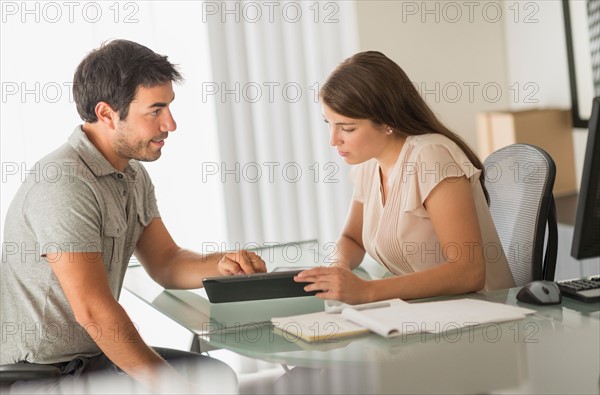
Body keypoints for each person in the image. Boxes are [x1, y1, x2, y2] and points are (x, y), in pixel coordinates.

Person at [0, 39, 266, 389]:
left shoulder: (131, 173)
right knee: (197, 383)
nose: (170, 124)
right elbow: (94, 312)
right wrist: (169, 384)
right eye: (155, 111)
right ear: (106, 114)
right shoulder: (64, 184)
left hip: (90, 360)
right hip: (41, 376)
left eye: (169, 107)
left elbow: (167, 262)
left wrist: (222, 264)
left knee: (214, 376)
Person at [296, 51, 515, 304]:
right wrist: (340, 269)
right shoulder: (370, 164)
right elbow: (352, 239)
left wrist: (367, 291)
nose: (333, 140)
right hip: (422, 313)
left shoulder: (432, 156)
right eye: (329, 123)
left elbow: (469, 272)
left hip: (481, 317)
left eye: (347, 128)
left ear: (387, 121)